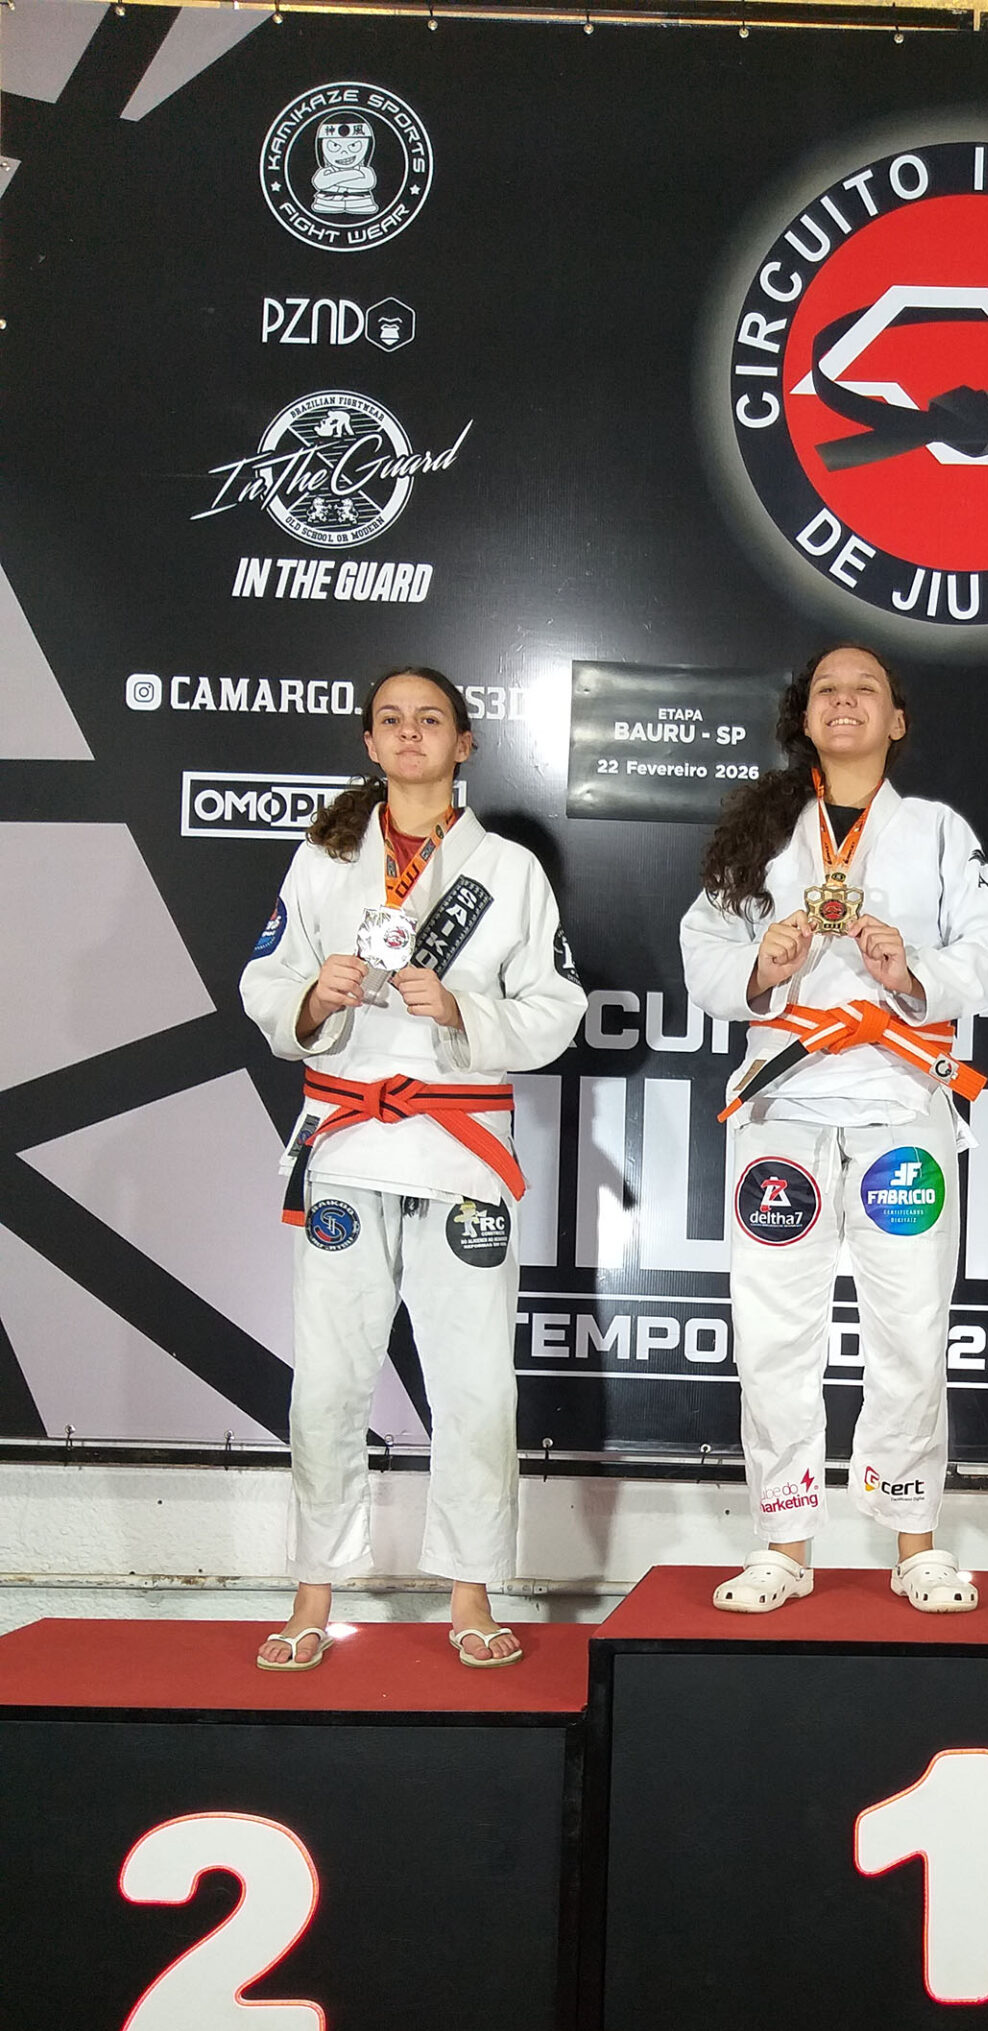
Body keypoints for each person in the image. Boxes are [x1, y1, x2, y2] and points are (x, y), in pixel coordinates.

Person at [241, 667, 587, 1670]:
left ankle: (471, 1594)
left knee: (475, 1385)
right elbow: (267, 982)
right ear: (368, 741)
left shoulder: (509, 869)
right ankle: (313, 1590)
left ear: (463, 742)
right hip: (347, 1141)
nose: (409, 732)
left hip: (459, 1150)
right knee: (326, 1382)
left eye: (429, 719)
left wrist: (464, 1011)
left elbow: (557, 1010)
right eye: (390, 719)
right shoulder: (324, 858)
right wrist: (317, 996)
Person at [681, 643, 988, 1615]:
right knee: (772, 1333)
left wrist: (912, 972)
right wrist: (763, 964)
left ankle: (915, 1540)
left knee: (910, 1327)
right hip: (783, 1106)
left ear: (895, 720)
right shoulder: (759, 832)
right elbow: (702, 950)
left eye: (865, 689)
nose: (844, 701)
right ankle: (783, 1543)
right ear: (804, 716)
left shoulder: (939, 831)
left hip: (900, 1104)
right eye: (827, 689)